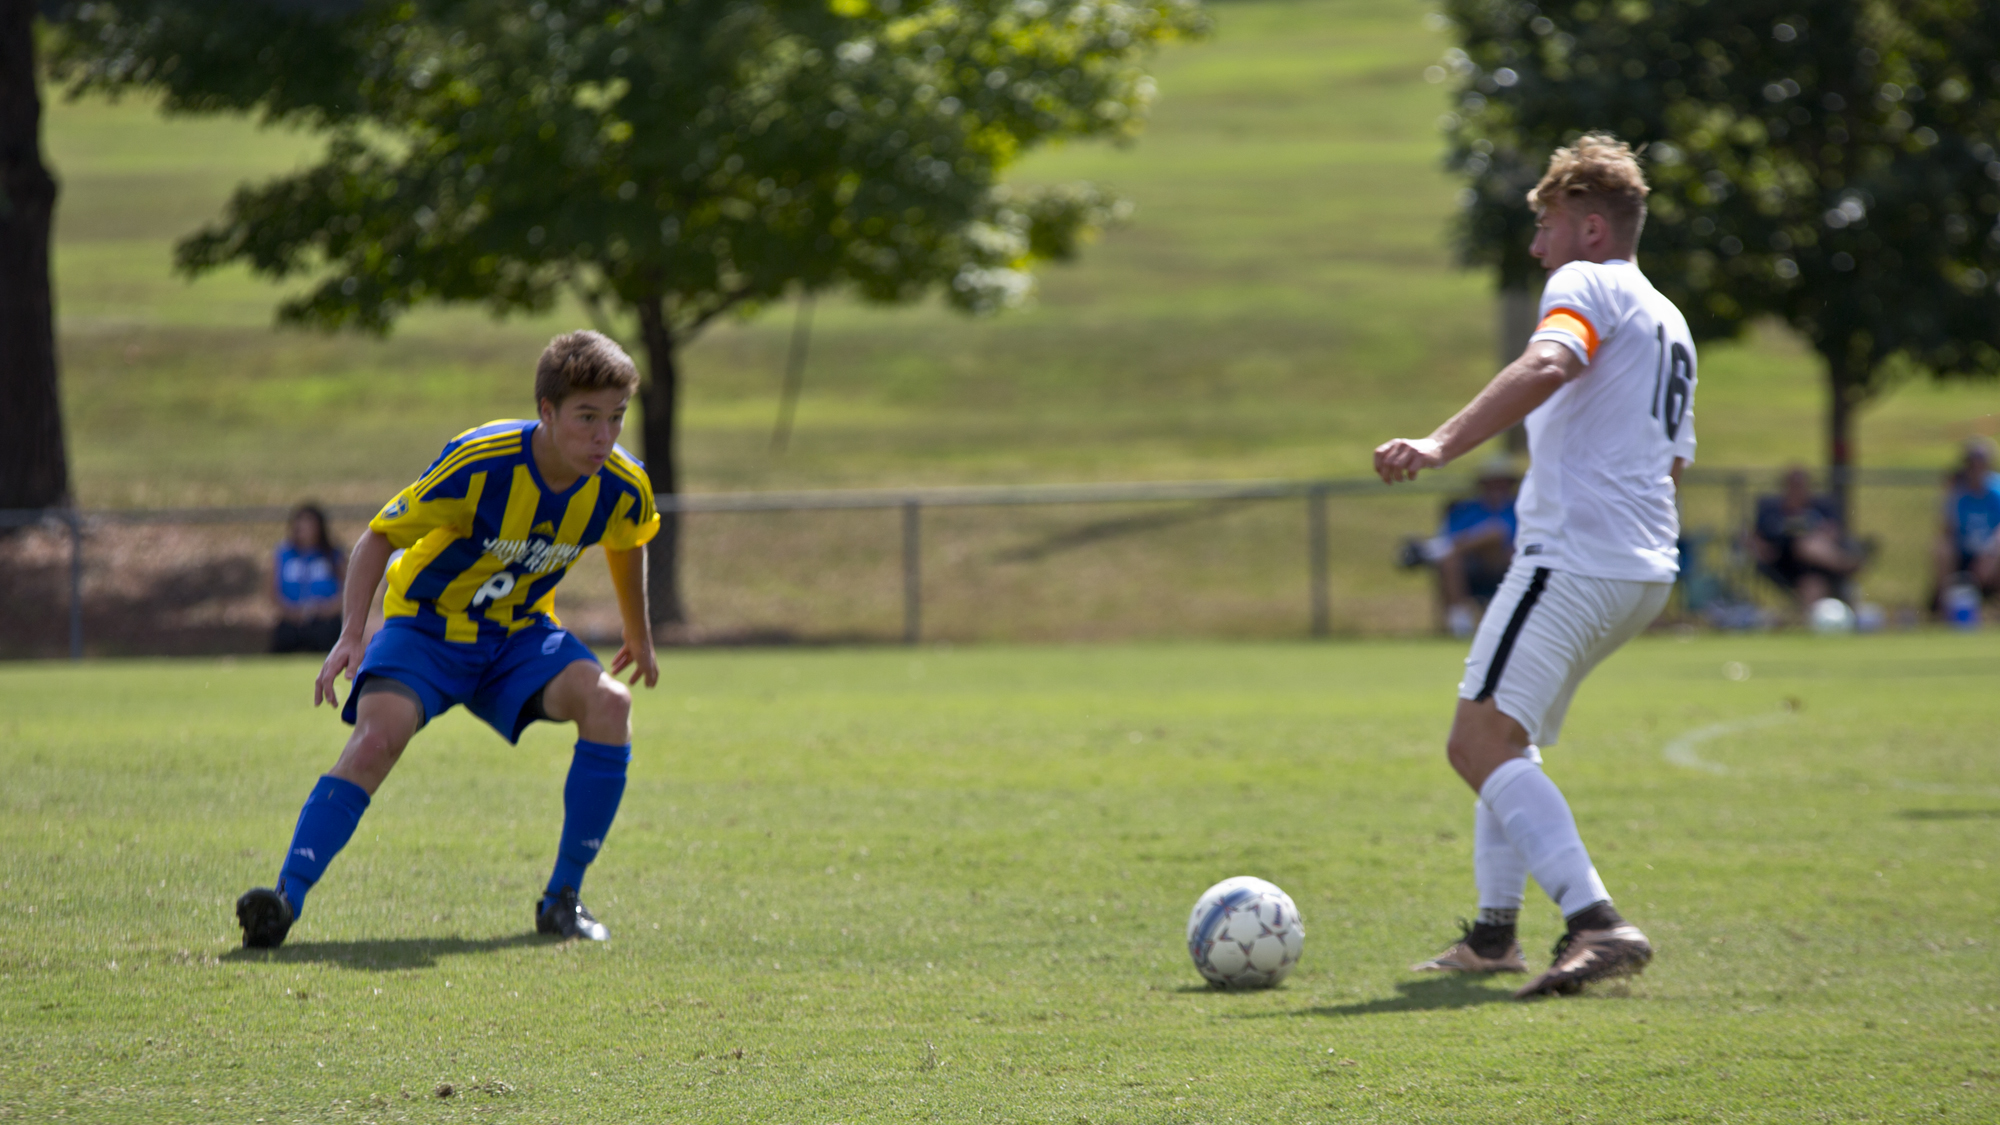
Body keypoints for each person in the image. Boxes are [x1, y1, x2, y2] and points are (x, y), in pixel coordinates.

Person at [1374, 134, 1694, 999]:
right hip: (1640, 566)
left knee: (1475, 740)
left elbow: (1550, 360)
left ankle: (1597, 921)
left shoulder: (1586, 283)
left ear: (1591, 227)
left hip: (1577, 558)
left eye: (1546, 224)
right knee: (1505, 737)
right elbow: (1672, 461)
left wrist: (1441, 442)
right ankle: (1492, 935)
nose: (1536, 246)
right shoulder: (1668, 318)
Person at [235, 330, 662, 949]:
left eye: (616, 418)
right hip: (426, 627)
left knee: (611, 705)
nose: (604, 436)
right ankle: (284, 900)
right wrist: (351, 634)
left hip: (518, 635)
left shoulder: (623, 483)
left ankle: (562, 899)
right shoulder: (481, 463)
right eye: (587, 417)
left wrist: (639, 635)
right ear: (546, 411)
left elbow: (628, 540)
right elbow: (380, 536)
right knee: (378, 739)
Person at [1400, 460, 1520, 637]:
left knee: (1495, 532)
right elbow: (1451, 535)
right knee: (1450, 560)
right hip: (1469, 565)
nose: (1497, 487)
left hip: (1508, 563)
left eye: (1501, 482)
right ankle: (1460, 625)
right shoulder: (1465, 509)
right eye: (1492, 482)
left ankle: (1432, 550)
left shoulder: (1520, 508)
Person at [1748, 466, 1864, 612]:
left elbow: (1834, 532)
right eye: (1793, 486)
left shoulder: (1821, 507)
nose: (1797, 491)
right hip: (1785, 563)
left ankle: (1843, 569)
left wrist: (1818, 534)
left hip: (1816, 565)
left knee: (1812, 579)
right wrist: (1763, 551)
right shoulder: (1771, 510)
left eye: (1801, 486)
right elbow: (1756, 538)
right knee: (1803, 546)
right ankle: (1846, 566)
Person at [1933, 437, 2000, 613]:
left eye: (1980, 464)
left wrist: (1990, 553)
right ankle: (1945, 605)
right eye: (1971, 464)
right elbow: (1948, 529)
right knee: (1942, 549)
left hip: (1991, 555)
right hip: (1964, 553)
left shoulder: (1997, 491)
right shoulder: (1958, 493)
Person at [271, 503, 346, 654]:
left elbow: (348, 590)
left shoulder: (332, 554)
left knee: (326, 636)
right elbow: (271, 592)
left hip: (326, 620)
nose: (303, 529)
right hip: (291, 619)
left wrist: (325, 610)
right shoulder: (283, 554)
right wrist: (291, 612)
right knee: (284, 637)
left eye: (309, 524)